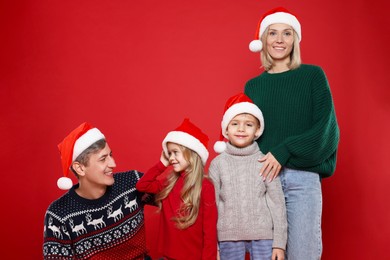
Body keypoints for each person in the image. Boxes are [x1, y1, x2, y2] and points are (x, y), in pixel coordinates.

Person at [244, 6, 340, 260]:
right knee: (266, 255)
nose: (279, 40)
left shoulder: (312, 76)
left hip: (302, 181)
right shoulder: (253, 86)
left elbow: (326, 130)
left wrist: (284, 150)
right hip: (264, 180)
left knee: (303, 254)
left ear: (295, 39)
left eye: (287, 33)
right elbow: (245, 135)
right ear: (263, 40)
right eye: (273, 33)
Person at [43, 122, 153, 259]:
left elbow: (178, 197)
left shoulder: (132, 182)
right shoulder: (59, 214)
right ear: (80, 168)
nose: (113, 164)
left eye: (110, 155)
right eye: (103, 159)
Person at [210, 93, 287, 260]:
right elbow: (212, 206)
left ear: (257, 130)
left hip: (263, 236)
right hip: (227, 237)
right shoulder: (217, 164)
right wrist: (213, 245)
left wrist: (279, 244)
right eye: (235, 123)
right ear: (226, 129)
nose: (241, 129)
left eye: (249, 124)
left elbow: (277, 203)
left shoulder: (265, 161)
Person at [136, 118, 218, 259]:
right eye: (169, 153)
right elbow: (142, 185)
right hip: (168, 257)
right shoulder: (169, 183)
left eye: (175, 152)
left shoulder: (205, 186)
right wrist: (161, 164)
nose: (171, 158)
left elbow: (210, 233)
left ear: (191, 154)